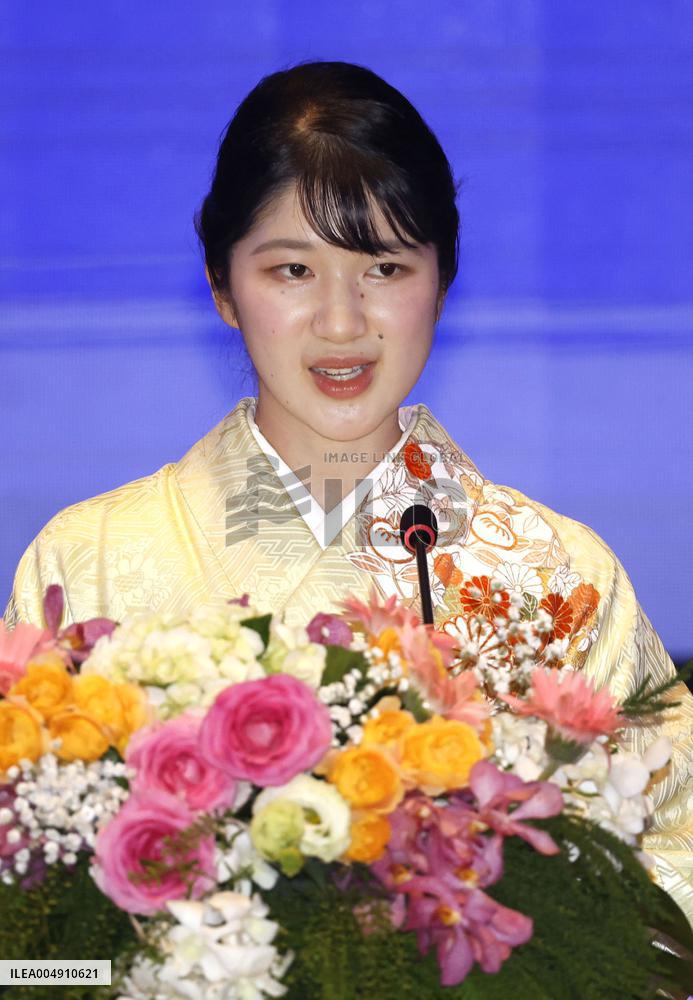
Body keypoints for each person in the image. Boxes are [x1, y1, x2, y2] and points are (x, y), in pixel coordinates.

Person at [3, 61, 691, 924]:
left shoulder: (558, 576)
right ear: (221, 286)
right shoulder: (89, 558)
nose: (341, 322)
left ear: (442, 282)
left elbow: (674, 862)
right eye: (292, 271)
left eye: (385, 268)